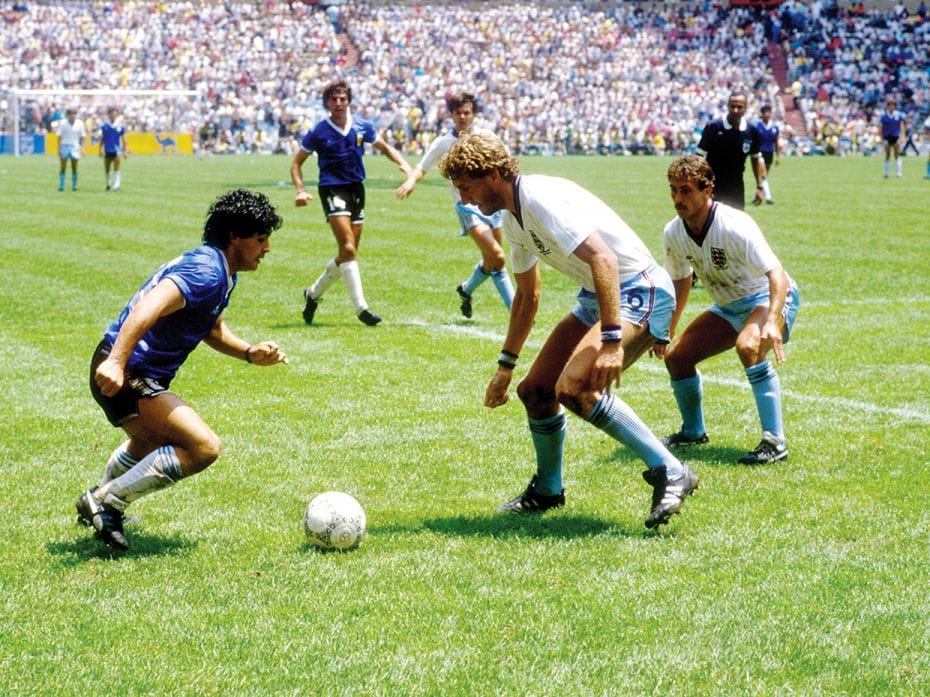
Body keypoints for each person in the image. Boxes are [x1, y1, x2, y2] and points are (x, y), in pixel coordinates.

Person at [438, 132, 698, 529]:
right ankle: (548, 490)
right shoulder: (512, 218)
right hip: (600, 296)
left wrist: (612, 341)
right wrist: (505, 367)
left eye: (465, 187)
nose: (464, 199)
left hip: (639, 289)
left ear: (492, 175)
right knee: (536, 391)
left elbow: (604, 260)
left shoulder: (540, 199)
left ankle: (671, 469)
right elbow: (527, 296)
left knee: (576, 388)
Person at [74, 189, 287, 551]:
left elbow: (212, 330)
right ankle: (108, 502)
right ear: (235, 237)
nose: (266, 249)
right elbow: (149, 307)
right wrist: (116, 362)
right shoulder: (206, 270)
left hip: (128, 368)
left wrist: (250, 353)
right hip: (127, 371)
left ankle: (94, 501)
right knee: (203, 447)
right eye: (261, 239)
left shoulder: (221, 272)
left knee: (146, 442)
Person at [657, 155, 800, 465]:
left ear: (707, 190)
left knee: (748, 346)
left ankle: (775, 442)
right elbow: (680, 281)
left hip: (768, 296)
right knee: (677, 357)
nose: (677, 198)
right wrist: (667, 328)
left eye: (686, 190)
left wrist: (773, 321)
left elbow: (777, 275)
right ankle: (693, 431)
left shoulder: (734, 224)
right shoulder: (674, 232)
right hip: (728, 306)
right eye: (673, 190)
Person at [291, 79, 413, 327]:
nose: (338, 103)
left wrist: (405, 165)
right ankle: (361, 308)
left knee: (348, 253)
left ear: (348, 101)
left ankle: (312, 294)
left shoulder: (361, 126)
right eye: (333, 99)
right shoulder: (318, 131)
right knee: (347, 248)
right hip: (331, 188)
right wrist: (300, 190)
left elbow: (384, 146)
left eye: (342, 99)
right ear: (327, 102)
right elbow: (296, 163)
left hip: (356, 189)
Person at [395, 91, 514, 318]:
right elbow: (422, 167)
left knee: (493, 260)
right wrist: (410, 182)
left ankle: (466, 289)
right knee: (498, 257)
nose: (462, 117)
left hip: (492, 205)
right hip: (467, 207)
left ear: (474, 114)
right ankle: (516, 311)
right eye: (458, 112)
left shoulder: (485, 137)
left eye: (466, 112)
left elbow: (506, 161)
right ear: (451, 114)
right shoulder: (444, 143)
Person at [697, 92, 766, 209]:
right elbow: (699, 157)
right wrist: (698, 183)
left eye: (739, 107)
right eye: (732, 106)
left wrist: (759, 186)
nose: (735, 110)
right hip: (712, 183)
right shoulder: (714, 127)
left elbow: (755, 158)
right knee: (708, 221)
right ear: (727, 106)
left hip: (736, 184)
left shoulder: (751, 130)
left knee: (737, 222)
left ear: (745, 108)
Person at [754, 104, 780, 204]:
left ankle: (757, 194)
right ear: (762, 114)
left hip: (769, 153)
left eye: (768, 112)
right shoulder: (757, 126)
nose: (766, 114)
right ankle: (768, 197)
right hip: (760, 153)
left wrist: (778, 156)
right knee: (763, 175)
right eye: (764, 112)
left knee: (762, 177)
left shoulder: (774, 127)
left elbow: (776, 142)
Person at [57, 108, 85, 192]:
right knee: (63, 167)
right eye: (71, 114)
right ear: (68, 115)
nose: (72, 115)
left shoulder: (80, 123)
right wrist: (58, 148)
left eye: (74, 113)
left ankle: (74, 185)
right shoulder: (63, 123)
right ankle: (61, 185)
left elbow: (83, 137)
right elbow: (59, 136)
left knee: (74, 167)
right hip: (64, 146)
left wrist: (83, 148)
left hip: (75, 146)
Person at [100, 107, 127, 191]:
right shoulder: (105, 126)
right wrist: (99, 149)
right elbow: (102, 139)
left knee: (117, 168)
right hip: (107, 149)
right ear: (109, 115)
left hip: (116, 150)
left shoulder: (120, 126)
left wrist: (125, 151)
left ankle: (116, 186)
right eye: (111, 113)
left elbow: (123, 139)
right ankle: (108, 183)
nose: (113, 115)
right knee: (107, 169)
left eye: (114, 113)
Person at [879, 98, 906, 179]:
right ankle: (886, 173)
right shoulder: (884, 116)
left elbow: (902, 126)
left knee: (896, 154)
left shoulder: (898, 115)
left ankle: (898, 173)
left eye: (893, 105)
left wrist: (902, 136)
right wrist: (881, 137)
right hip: (887, 136)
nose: (891, 107)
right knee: (887, 154)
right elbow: (881, 128)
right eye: (890, 105)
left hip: (895, 136)